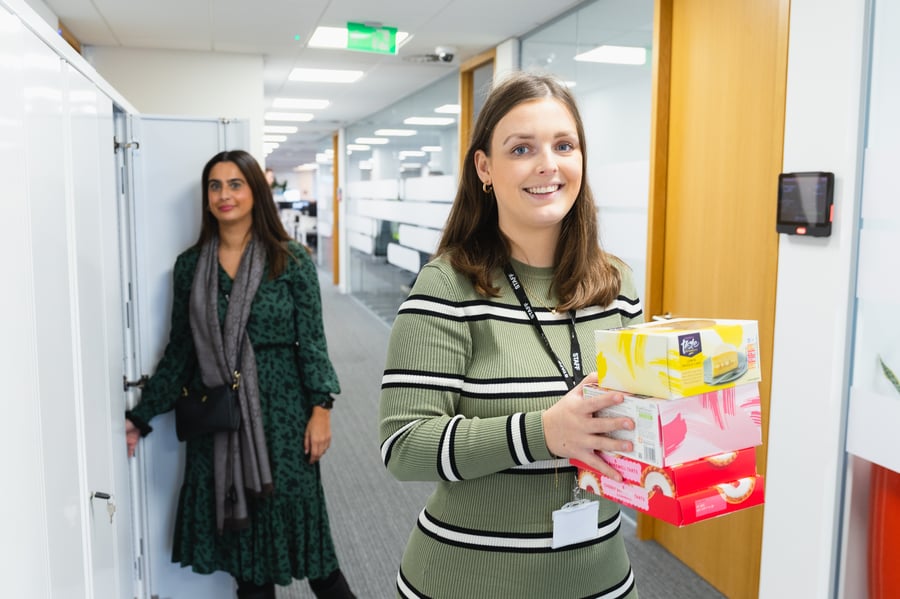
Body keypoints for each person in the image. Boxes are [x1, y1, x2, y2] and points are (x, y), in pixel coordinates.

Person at [378, 72, 644, 598]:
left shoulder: (615, 284)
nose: (548, 164)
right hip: (470, 580)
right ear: (485, 168)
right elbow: (403, 446)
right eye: (522, 148)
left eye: (563, 145)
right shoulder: (447, 286)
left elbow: (633, 417)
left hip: (601, 577)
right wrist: (541, 433)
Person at [125, 150, 355, 599]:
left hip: (286, 420)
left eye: (235, 184)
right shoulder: (191, 267)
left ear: (256, 192)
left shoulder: (290, 260)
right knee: (248, 566)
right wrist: (141, 414)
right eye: (215, 185)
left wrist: (321, 409)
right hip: (222, 425)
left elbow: (312, 342)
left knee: (316, 559)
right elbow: (181, 352)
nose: (224, 194)